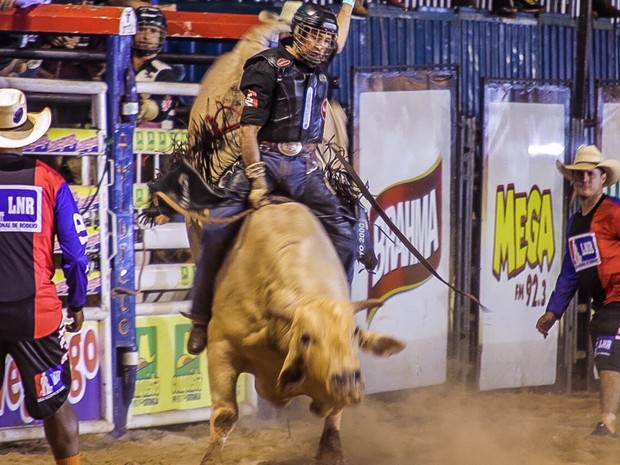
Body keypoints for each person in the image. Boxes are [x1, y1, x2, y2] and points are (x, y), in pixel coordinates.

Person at [184, 2, 358, 355]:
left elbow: (339, 34)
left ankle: (339, 316)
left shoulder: (318, 67)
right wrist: (256, 177)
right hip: (265, 158)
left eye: (326, 39)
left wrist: (349, 5)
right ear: (297, 33)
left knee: (346, 237)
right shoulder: (265, 67)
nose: (323, 45)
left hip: (305, 168)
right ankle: (202, 317)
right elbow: (249, 131)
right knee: (216, 227)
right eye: (315, 36)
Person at [0, 89, 89, 465]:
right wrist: (78, 302)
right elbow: (74, 252)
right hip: (36, 312)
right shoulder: (51, 182)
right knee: (55, 406)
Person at [535, 145, 620, 437]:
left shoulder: (614, 211)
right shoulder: (576, 222)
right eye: (579, 174)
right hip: (605, 300)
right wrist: (553, 310)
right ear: (574, 180)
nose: (585, 179)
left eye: (590, 174)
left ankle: (607, 422)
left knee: (607, 349)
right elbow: (571, 270)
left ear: (602, 178)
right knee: (606, 349)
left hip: (617, 297)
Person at [132, 6, 181, 129]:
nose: (146, 37)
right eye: (142, 29)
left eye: (153, 31)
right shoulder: (118, 67)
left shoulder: (165, 73)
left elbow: (161, 109)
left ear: (160, 35)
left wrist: (145, 108)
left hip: (154, 141)